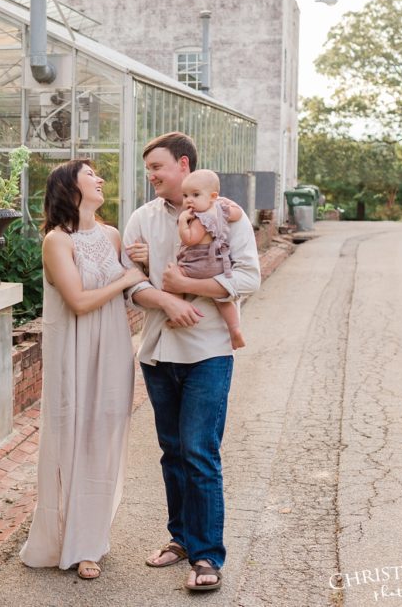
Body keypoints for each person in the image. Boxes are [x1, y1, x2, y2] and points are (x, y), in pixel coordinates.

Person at [121, 132, 260, 592]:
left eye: (157, 167)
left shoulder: (226, 213)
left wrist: (190, 289)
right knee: (173, 452)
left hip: (208, 352)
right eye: (148, 170)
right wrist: (166, 299)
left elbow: (248, 276)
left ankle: (206, 557)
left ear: (183, 165)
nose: (151, 176)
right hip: (157, 353)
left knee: (200, 452)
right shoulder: (142, 218)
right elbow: (127, 280)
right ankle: (180, 538)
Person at [19, 159, 148, 581]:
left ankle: (92, 538)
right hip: (73, 352)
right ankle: (71, 542)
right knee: (73, 439)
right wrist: (126, 276)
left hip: (112, 348)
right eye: (90, 174)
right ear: (69, 187)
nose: (100, 179)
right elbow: (77, 300)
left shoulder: (112, 235)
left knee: (104, 438)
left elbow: (138, 280)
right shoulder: (57, 241)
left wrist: (137, 267)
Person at [176, 169, 246, 349]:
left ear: (212, 196)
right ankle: (235, 329)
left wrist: (183, 222)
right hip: (217, 265)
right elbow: (238, 214)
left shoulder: (200, 218)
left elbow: (190, 239)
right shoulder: (221, 211)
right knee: (222, 300)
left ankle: (177, 311)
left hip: (196, 264)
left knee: (173, 279)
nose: (189, 200)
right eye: (185, 196)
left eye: (195, 195)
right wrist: (228, 204)